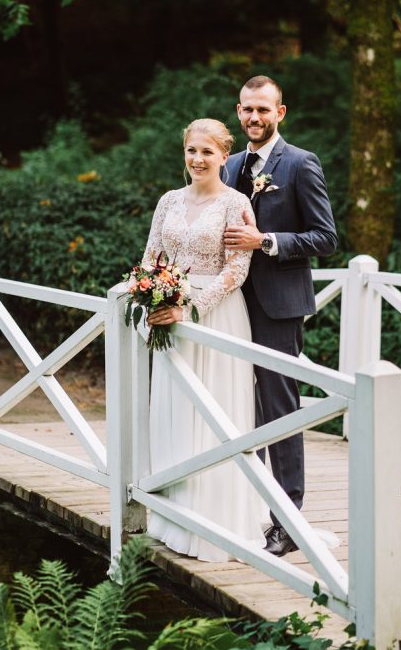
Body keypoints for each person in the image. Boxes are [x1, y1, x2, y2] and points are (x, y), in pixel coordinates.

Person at [224, 75, 338, 557]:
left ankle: (287, 521)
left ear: (280, 113)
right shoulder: (229, 164)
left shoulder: (300, 163)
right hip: (229, 304)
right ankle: (236, 502)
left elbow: (325, 238)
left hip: (278, 307)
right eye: (248, 109)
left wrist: (266, 241)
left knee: (279, 410)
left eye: (263, 110)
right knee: (229, 402)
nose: (255, 117)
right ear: (238, 111)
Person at [144, 118, 268, 563]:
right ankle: (175, 515)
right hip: (169, 311)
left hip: (215, 316)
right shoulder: (168, 200)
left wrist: (191, 308)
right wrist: (149, 293)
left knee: (213, 413)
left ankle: (216, 520)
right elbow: (152, 256)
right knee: (177, 412)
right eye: (192, 151)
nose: (198, 159)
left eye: (207, 152)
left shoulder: (236, 204)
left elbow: (237, 270)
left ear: (223, 156)